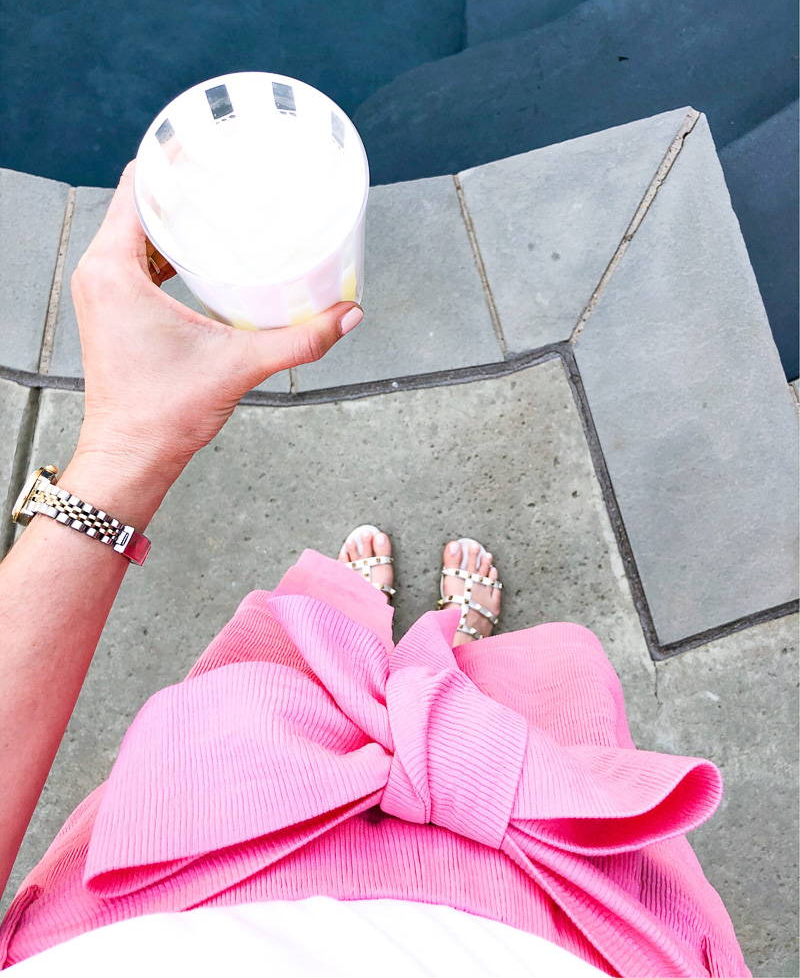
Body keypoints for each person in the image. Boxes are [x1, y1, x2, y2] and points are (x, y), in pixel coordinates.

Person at [0, 164, 750, 977]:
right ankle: (445, 665)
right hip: (554, 914)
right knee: (506, 725)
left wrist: (128, 443)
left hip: (188, 855)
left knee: (282, 694)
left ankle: (406, 661)